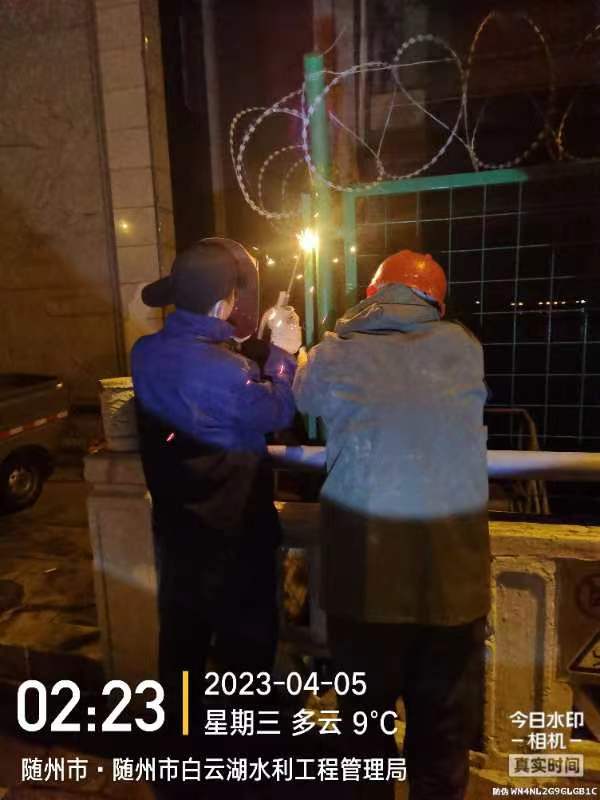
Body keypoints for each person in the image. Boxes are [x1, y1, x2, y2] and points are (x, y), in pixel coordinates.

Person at [293, 250, 490, 800]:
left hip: (365, 584)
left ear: (372, 294)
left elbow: (302, 395)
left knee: (365, 735)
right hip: (452, 585)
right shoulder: (465, 347)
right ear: (437, 305)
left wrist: (304, 348)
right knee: (441, 739)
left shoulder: (337, 352)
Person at [131, 238, 296, 750]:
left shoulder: (144, 353)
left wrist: (247, 348)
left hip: (178, 533)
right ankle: (242, 751)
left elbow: (197, 386)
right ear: (224, 303)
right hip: (236, 538)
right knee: (246, 649)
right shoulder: (230, 372)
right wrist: (284, 356)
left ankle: (179, 739)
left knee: (182, 642)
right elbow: (277, 411)